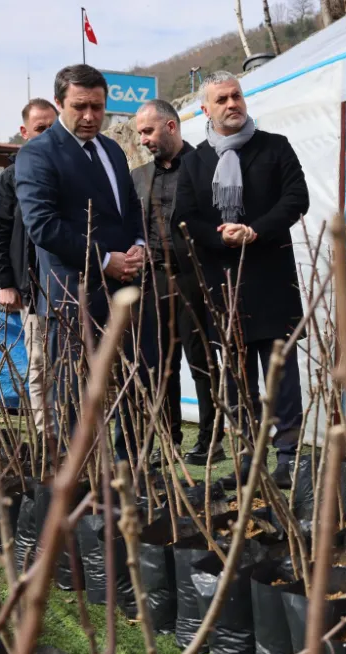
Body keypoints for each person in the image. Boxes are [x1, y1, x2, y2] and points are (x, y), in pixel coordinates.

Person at [175, 71, 308, 489]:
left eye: (237, 96)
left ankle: (288, 455)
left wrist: (254, 230)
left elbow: (296, 198)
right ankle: (250, 457)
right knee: (236, 381)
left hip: (271, 278)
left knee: (281, 376)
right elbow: (184, 216)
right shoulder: (195, 160)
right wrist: (221, 236)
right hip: (222, 284)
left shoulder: (274, 147)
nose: (232, 104)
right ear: (206, 110)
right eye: (222, 99)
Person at [15, 64, 147, 462]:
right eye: (79, 107)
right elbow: (44, 227)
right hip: (73, 293)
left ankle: (127, 468)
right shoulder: (37, 154)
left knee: (129, 380)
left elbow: (130, 204)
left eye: (98, 107)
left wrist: (139, 243)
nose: (89, 116)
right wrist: (105, 260)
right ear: (59, 104)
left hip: (124, 290)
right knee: (74, 391)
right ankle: (83, 474)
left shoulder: (111, 150)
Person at [132, 99, 224, 466]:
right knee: (159, 363)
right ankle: (167, 440)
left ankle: (211, 438)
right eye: (140, 133)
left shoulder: (206, 164)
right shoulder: (138, 177)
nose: (143, 140)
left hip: (194, 276)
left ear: (171, 127)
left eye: (149, 131)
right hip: (150, 279)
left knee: (201, 358)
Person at [0, 98, 58, 443]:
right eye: (40, 128)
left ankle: (83, 437)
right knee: (40, 365)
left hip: (74, 284)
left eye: (52, 127)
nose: (47, 134)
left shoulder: (69, 170)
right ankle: (49, 439)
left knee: (80, 367)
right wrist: (5, 283)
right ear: (24, 131)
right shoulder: (10, 178)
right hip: (33, 287)